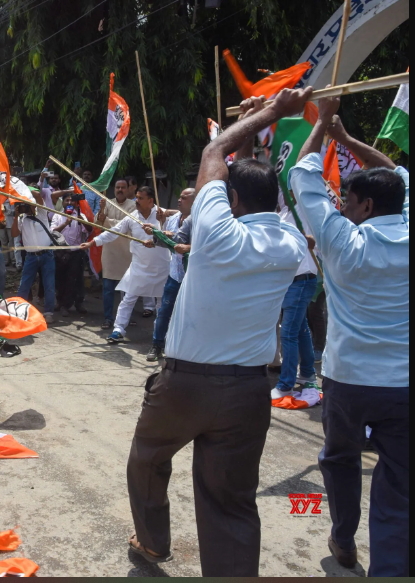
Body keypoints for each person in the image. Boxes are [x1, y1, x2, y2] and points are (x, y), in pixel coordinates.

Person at [123, 91, 309, 577]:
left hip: (186, 385)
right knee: (230, 500)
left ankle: (153, 542)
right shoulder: (289, 243)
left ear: (229, 201)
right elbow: (250, 184)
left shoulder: (216, 233)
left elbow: (212, 157)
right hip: (248, 390)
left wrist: (270, 113)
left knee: (146, 461)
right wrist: (252, 129)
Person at [292, 95, 409, 577]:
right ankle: (390, 568)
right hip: (403, 385)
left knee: (339, 459)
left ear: (364, 204)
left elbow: (302, 174)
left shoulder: (342, 238)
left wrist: (323, 126)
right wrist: (349, 141)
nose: (341, 204)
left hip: (347, 379)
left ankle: (343, 538)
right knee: (399, 483)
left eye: (348, 200)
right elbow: (397, 177)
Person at [83, 186, 169, 344]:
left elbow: (177, 231)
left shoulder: (162, 214)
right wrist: (94, 242)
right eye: (136, 197)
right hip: (139, 266)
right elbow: (114, 231)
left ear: (151, 201)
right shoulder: (133, 217)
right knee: (128, 298)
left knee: (161, 302)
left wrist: (163, 221)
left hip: (161, 267)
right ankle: (118, 329)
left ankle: (160, 334)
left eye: (140, 198)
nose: (136, 201)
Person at [271, 191, 320, 398]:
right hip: (290, 280)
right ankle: (307, 373)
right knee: (300, 329)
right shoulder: (281, 215)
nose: (283, 194)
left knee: (288, 333)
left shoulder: (304, 210)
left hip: (302, 278)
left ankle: (285, 385)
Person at [146, 188, 195, 361]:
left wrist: (162, 235)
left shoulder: (201, 222)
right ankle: (157, 345)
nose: (179, 200)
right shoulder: (174, 218)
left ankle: (185, 351)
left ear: (195, 201)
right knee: (164, 310)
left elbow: (199, 244)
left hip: (193, 277)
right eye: (179, 196)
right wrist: (155, 238)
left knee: (189, 315)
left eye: (184, 197)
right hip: (175, 274)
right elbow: (171, 244)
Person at [11, 188, 56, 324]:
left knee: (49, 285)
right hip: (30, 256)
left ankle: (48, 313)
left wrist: (24, 191)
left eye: (27, 204)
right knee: (24, 285)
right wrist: (15, 215)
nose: (25, 207)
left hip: (46, 255)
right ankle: (18, 312)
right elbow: (14, 234)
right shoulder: (21, 219)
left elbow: (37, 196)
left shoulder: (42, 212)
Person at [96, 179, 137, 328]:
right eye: (118, 187)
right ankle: (108, 318)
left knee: (127, 289)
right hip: (110, 252)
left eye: (123, 187)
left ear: (128, 189)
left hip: (126, 252)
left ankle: (126, 317)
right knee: (108, 288)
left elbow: (127, 226)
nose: (120, 190)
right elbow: (98, 223)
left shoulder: (133, 206)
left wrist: (106, 220)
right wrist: (101, 211)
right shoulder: (107, 203)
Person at [51, 192, 91, 315]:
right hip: (60, 253)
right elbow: (52, 232)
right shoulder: (57, 216)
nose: (69, 203)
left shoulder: (80, 215)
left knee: (75, 280)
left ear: (76, 203)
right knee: (60, 279)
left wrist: (82, 220)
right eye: (67, 200)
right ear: (62, 203)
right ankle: (61, 303)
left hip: (76, 253)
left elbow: (89, 230)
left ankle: (76, 304)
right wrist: (65, 223)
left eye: (72, 200)